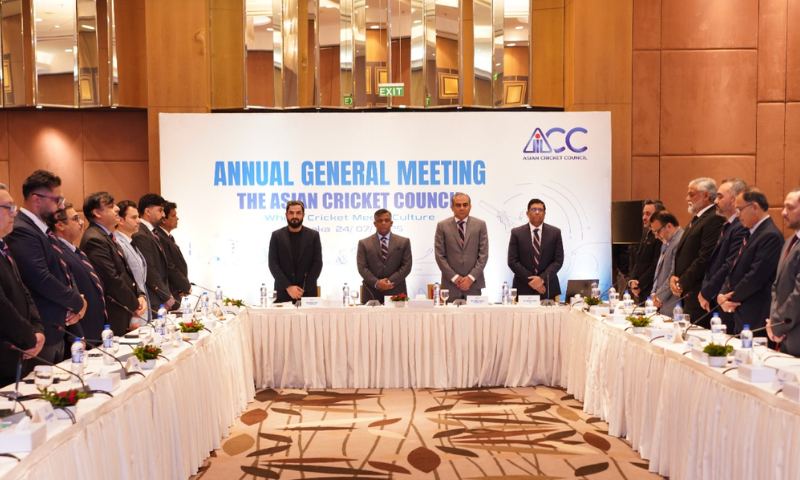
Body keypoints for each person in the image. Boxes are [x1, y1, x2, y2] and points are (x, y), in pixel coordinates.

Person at [5, 170, 86, 363]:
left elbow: (65, 271)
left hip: (59, 326)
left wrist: (77, 301)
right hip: (42, 330)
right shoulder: (22, 229)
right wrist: (77, 301)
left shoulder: (44, 231)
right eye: (57, 200)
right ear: (37, 200)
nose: (61, 206)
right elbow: (40, 278)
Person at [717, 187, 783, 335]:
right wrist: (722, 294)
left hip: (756, 314)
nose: (737, 214)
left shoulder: (770, 235)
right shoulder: (751, 233)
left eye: (740, 209)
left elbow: (754, 277)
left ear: (754, 206)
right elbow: (733, 268)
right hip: (741, 311)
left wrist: (729, 298)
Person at [80, 192, 146, 335]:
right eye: (111, 206)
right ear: (97, 212)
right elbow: (111, 278)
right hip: (112, 314)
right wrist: (135, 304)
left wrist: (140, 295)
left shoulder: (106, 236)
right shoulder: (94, 239)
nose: (117, 209)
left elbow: (126, 272)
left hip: (123, 308)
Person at [0, 184, 44, 385]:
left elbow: (23, 291)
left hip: (17, 352)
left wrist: (37, 329)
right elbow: (2, 305)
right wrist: (29, 337)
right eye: (8, 207)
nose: (14, 213)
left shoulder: (4, 248)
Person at [669, 177, 725, 327]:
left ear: (706, 195)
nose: (687, 199)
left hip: (700, 295)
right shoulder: (697, 219)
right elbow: (682, 255)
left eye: (691, 194)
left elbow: (705, 258)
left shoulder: (714, 218)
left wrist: (681, 282)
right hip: (688, 295)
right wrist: (674, 276)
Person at [47, 204, 108, 342]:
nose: (81, 222)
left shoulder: (75, 251)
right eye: (75, 218)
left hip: (95, 327)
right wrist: (78, 335)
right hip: (79, 332)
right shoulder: (57, 253)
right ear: (60, 225)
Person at [697, 178, 748, 332]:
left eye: (720, 197)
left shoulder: (741, 227)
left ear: (734, 201)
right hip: (717, 298)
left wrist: (707, 292)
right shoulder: (728, 225)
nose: (715, 201)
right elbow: (713, 264)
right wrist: (705, 290)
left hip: (727, 298)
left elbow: (729, 264)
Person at [434, 193, 489, 301]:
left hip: (473, 285)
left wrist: (470, 278)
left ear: (470, 207)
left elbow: (483, 254)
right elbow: (439, 255)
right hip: (450, 285)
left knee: (474, 313)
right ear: (452, 207)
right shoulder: (442, 226)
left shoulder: (480, 225)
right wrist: (455, 278)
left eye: (465, 204)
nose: (462, 208)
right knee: (449, 313)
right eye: (458, 205)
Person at [508, 198, 564, 300]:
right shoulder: (516, 233)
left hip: (547, 288)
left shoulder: (555, 233)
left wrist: (542, 279)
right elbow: (512, 261)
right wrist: (532, 281)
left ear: (545, 213)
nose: (537, 212)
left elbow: (558, 260)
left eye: (540, 210)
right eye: (533, 210)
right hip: (523, 287)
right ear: (527, 213)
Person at [268, 200, 323, 303]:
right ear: (286, 215)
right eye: (291, 213)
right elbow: (273, 264)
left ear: (303, 215)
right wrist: (288, 287)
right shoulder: (276, 236)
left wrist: (302, 289)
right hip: (283, 293)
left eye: (298, 213)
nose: (294, 216)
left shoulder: (313, 236)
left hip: (307, 294)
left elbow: (317, 264)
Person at [768, 188, 800, 355]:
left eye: (790, 208)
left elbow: (798, 295)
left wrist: (778, 324)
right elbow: (777, 286)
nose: (783, 213)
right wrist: (774, 322)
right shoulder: (789, 242)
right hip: (784, 334)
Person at [356, 209, 412, 303]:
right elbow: (362, 268)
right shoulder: (364, 243)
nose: (383, 223)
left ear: (391, 223)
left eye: (386, 220)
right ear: (375, 223)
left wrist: (388, 282)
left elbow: (407, 266)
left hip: (396, 292)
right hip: (372, 293)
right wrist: (377, 283)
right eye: (380, 220)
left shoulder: (403, 242)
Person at [132, 193, 176, 311]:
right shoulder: (141, 234)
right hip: (153, 297)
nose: (163, 215)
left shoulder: (152, 232)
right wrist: (165, 295)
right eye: (160, 210)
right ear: (148, 211)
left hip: (159, 296)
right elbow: (150, 269)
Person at [115, 200, 151, 325]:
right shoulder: (117, 243)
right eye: (134, 217)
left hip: (142, 305)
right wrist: (132, 316)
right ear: (121, 220)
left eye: (138, 217)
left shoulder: (130, 241)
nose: (139, 221)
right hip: (133, 309)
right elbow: (123, 279)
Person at [628, 199, 664, 302]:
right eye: (643, 214)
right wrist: (633, 281)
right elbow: (638, 261)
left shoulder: (660, 237)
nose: (644, 217)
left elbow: (656, 265)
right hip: (640, 290)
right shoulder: (645, 235)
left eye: (648, 214)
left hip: (652, 290)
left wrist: (640, 284)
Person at [649, 211, 683, 315]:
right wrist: (654, 293)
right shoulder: (665, 243)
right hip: (663, 302)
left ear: (669, 226)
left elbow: (673, 274)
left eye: (657, 231)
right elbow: (659, 271)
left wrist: (659, 296)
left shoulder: (680, 241)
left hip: (673, 302)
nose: (656, 236)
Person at [157, 201, 190, 307]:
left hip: (177, 292)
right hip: (169, 295)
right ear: (163, 219)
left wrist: (183, 286)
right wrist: (186, 286)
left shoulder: (168, 237)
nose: (177, 218)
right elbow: (170, 267)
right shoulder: (160, 237)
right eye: (173, 216)